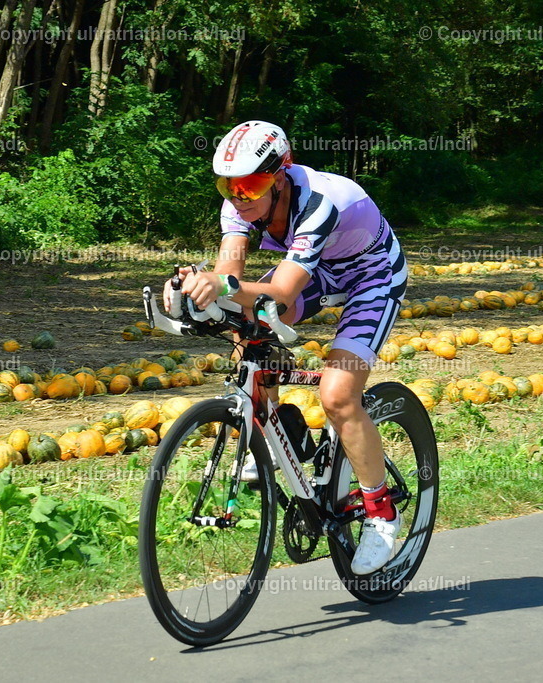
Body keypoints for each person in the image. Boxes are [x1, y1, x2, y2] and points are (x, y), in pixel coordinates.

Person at [166, 120, 408, 575]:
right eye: (228, 185)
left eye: (251, 185)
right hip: (321, 270)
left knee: (337, 395)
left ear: (281, 175)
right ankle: (276, 435)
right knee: (246, 325)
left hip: (370, 278)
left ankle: (381, 514)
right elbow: (230, 272)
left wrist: (220, 284)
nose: (240, 196)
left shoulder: (320, 201)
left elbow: (281, 291)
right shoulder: (239, 203)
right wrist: (191, 289)